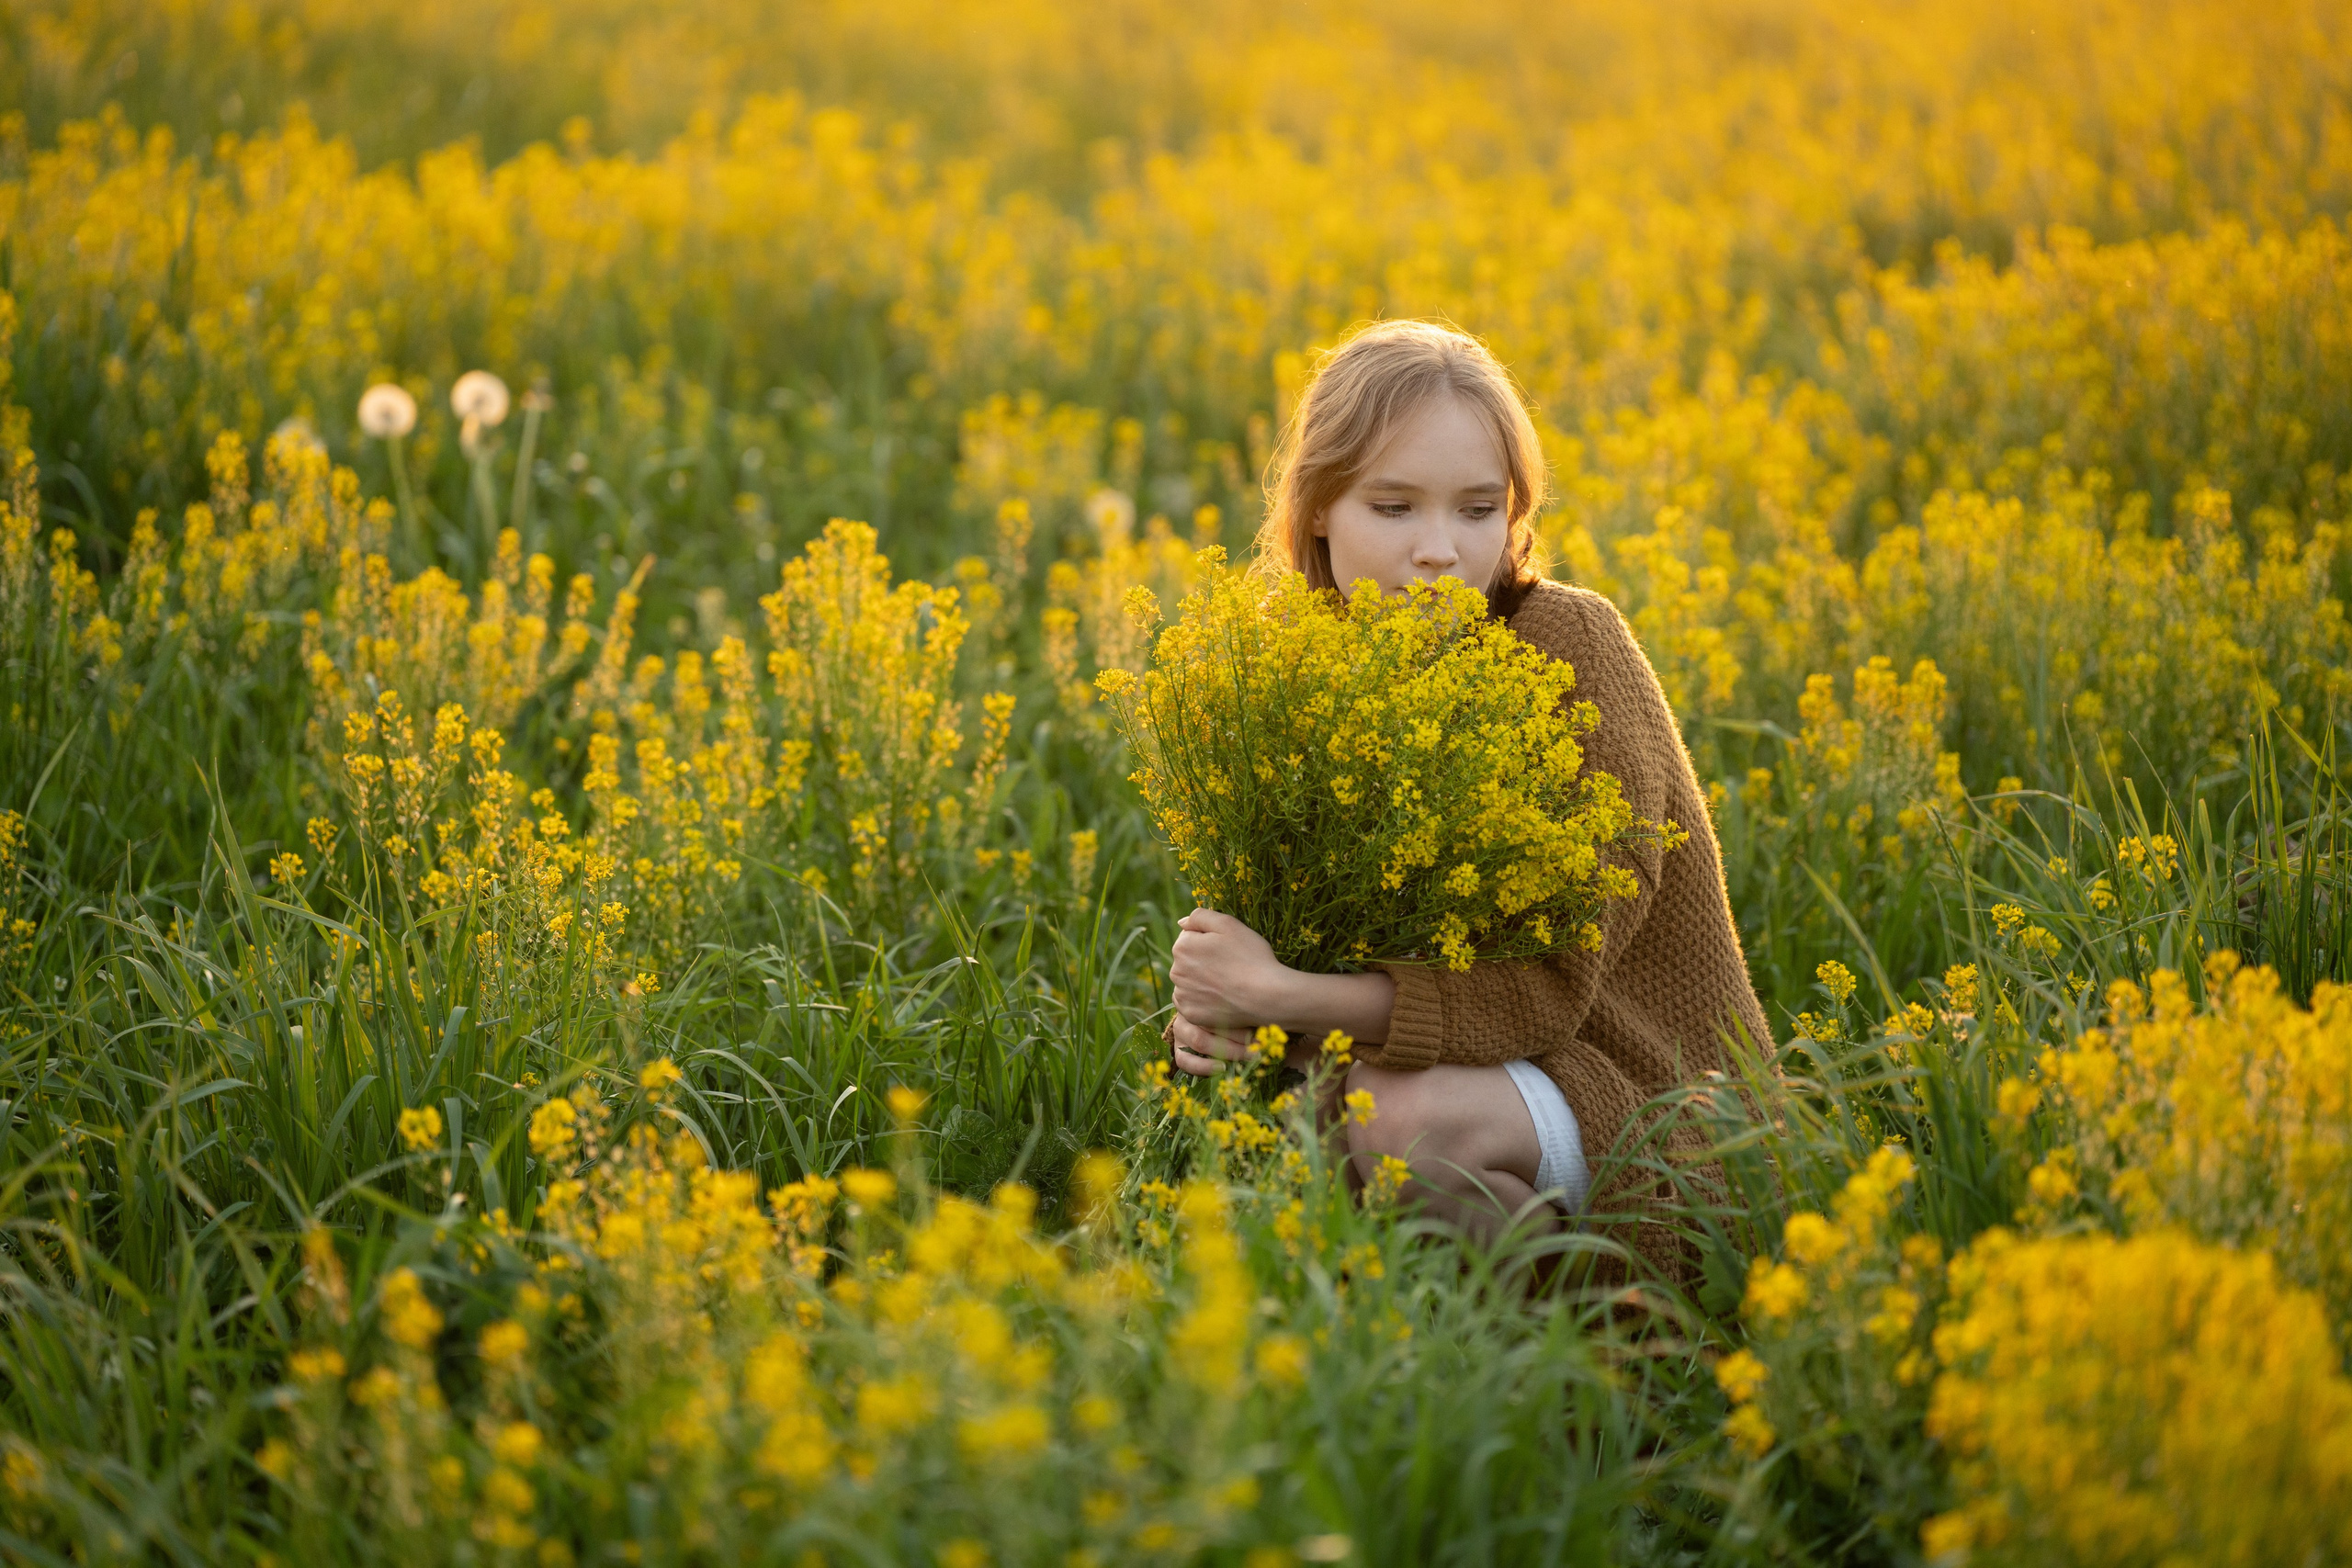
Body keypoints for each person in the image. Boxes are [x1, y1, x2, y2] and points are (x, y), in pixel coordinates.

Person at [1164, 318, 1770, 1279]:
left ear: (1515, 516)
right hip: (1459, 1081)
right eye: (1394, 508)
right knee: (1330, 1131)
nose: (1440, 552)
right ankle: (1498, 1363)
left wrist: (1280, 995)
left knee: (1400, 1120)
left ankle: (1623, 1354)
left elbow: (1548, 992)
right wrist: (1229, 1018)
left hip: (1653, 1095)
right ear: (1318, 509)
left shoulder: (1570, 648)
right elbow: (1287, 940)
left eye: (1477, 511)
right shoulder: (1292, 677)